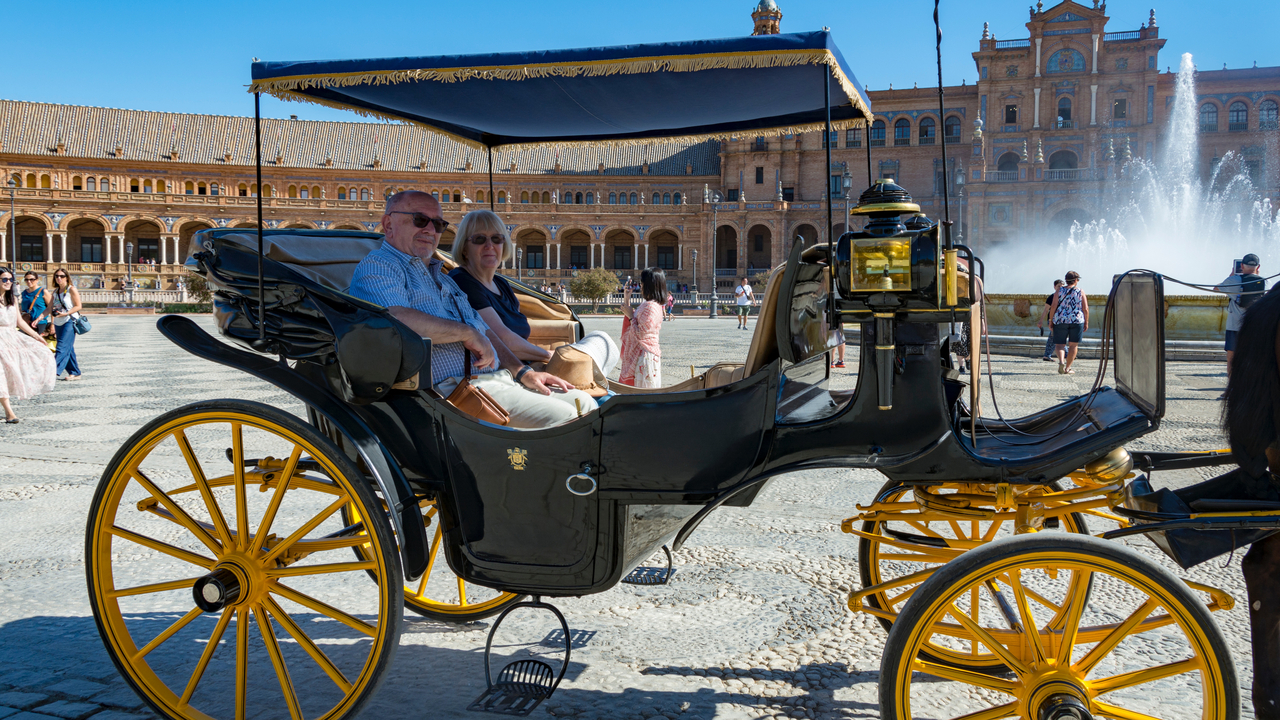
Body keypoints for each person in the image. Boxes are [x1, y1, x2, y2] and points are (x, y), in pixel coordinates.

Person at [348, 191, 595, 429]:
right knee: (567, 419)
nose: (430, 230)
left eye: (438, 224)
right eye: (420, 220)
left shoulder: (444, 279)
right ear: (388, 224)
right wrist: (466, 333)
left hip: (493, 381)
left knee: (585, 404)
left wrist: (523, 372)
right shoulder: (379, 265)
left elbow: (485, 330)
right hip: (450, 391)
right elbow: (395, 318)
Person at [449, 210, 554, 364]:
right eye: (479, 239)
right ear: (464, 248)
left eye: (497, 239)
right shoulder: (462, 282)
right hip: (498, 372)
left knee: (599, 339)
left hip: (521, 366)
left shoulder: (501, 284)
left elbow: (517, 335)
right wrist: (552, 356)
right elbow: (503, 340)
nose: (489, 245)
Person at [0, 268, 56, 422]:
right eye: (4, 279)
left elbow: (19, 322)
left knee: (39, 354)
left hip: (11, 339)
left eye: (10, 279)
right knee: (1, 374)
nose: (8, 282)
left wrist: (37, 336)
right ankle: (9, 412)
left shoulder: (11, 299)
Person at [1215, 253, 1264, 393]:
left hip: (1234, 325)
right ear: (1258, 267)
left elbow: (1216, 289)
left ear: (1241, 266)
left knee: (1232, 358)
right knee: (1253, 358)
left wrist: (1231, 276)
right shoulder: (1265, 282)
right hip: (1254, 327)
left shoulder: (1234, 280)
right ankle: (1250, 388)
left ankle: (1232, 388)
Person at [619, 268, 665, 388]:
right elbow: (634, 320)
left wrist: (630, 315)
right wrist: (627, 299)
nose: (641, 285)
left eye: (643, 282)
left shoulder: (651, 307)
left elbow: (640, 334)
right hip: (641, 354)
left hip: (644, 356)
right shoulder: (648, 304)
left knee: (641, 393)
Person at [37, 269, 83, 380]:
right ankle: (75, 372)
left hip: (69, 321)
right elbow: (49, 308)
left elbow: (78, 306)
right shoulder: (55, 291)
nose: (59, 278)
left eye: (62, 276)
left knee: (61, 347)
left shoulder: (72, 289)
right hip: (58, 322)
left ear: (67, 277)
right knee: (68, 348)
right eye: (57, 276)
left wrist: (66, 313)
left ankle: (51, 372)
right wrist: (40, 317)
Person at [1048, 270, 1088, 375]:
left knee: (1060, 344)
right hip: (1076, 320)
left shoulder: (1059, 291)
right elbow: (1086, 308)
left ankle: (1061, 362)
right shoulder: (1080, 291)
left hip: (1060, 320)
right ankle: (1068, 368)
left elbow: (1053, 306)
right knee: (1073, 345)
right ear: (1075, 280)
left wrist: (1051, 320)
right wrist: (1086, 322)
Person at [1037, 279, 1064, 361]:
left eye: (1062, 287)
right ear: (1054, 287)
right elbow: (1046, 310)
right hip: (1053, 319)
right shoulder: (1051, 297)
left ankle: (1066, 352)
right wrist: (1041, 321)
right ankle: (1047, 355)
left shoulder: (1065, 296)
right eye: (1058, 286)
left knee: (1061, 337)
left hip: (1062, 320)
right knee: (1053, 337)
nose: (1060, 288)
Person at [19, 272, 51, 339]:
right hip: (26, 323)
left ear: (37, 280)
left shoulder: (43, 291)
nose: (29, 281)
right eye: (26, 280)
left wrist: (53, 325)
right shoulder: (24, 293)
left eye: (31, 279)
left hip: (40, 323)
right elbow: (22, 307)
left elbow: (51, 307)